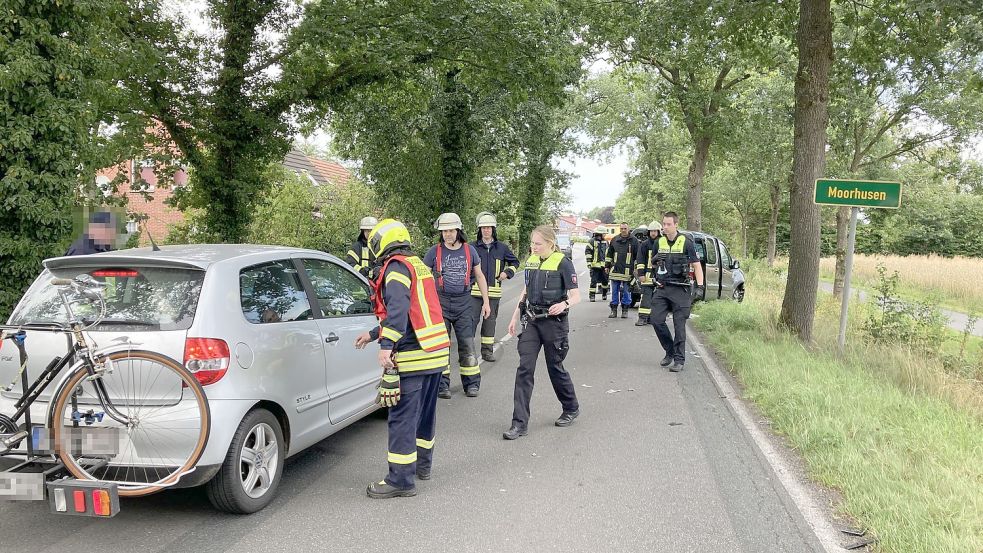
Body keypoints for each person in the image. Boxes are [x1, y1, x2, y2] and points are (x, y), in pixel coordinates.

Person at [355, 219, 451, 499]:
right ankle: (422, 467)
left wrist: (386, 344)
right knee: (425, 416)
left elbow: (397, 309)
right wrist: (374, 334)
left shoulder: (396, 266)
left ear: (382, 242)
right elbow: (413, 311)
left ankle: (400, 480)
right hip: (436, 353)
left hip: (413, 354)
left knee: (401, 418)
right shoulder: (417, 263)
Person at [503, 225, 581, 440]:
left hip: (554, 323)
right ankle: (519, 424)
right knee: (524, 369)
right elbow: (526, 290)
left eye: (538, 243)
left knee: (555, 367)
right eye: (532, 243)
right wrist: (514, 317)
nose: (533, 247)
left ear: (550, 243)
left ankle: (571, 407)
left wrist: (564, 304)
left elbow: (576, 296)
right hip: (532, 322)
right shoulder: (531, 261)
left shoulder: (563, 263)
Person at [424, 213, 491, 399]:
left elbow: (479, 276)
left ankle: (471, 384)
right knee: (441, 346)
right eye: (444, 231)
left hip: (464, 303)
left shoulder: (470, 251)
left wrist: (486, 302)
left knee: (467, 344)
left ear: (458, 231)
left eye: (451, 230)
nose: (448, 234)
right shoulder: (434, 252)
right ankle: (442, 386)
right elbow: (423, 277)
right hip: (440, 304)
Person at [651, 212, 705, 372]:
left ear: (676, 225)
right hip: (662, 288)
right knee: (656, 320)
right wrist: (653, 262)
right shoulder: (658, 242)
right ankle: (670, 351)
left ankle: (679, 360)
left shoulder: (686, 242)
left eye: (668, 224)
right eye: (664, 224)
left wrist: (700, 287)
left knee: (679, 325)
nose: (665, 227)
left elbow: (696, 265)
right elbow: (653, 264)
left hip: (680, 289)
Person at [471, 212, 520, 362]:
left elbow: (515, 263)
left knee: (490, 323)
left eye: (489, 228)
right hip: (473, 292)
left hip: (493, 293)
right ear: (480, 230)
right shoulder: (471, 247)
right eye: (483, 228)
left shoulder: (502, 248)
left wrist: (507, 273)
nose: (486, 230)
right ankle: (468, 353)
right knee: (470, 322)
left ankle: (487, 352)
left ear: (493, 229)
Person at [605, 222, 639, 319]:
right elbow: (609, 254)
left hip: (628, 271)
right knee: (614, 291)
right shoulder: (615, 240)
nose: (623, 230)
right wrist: (607, 266)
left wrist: (636, 269)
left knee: (626, 292)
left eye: (625, 228)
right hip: (615, 270)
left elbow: (638, 256)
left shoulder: (634, 241)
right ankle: (614, 310)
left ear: (628, 229)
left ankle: (625, 310)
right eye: (622, 228)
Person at [633, 222, 663, 326]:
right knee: (646, 298)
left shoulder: (663, 243)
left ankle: (652, 318)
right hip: (647, 276)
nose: (653, 233)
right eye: (651, 231)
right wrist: (641, 274)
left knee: (657, 299)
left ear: (659, 232)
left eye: (655, 231)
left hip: (660, 276)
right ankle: (642, 318)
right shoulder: (645, 244)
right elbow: (640, 260)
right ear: (648, 232)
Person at [584, 229, 609, 302]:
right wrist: (589, 262)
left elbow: (609, 253)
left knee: (605, 281)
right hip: (595, 265)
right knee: (593, 281)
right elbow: (588, 252)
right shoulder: (592, 241)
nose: (605, 235)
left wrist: (609, 264)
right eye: (603, 234)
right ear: (599, 234)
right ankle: (592, 295)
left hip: (604, 265)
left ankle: (604, 293)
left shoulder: (606, 242)